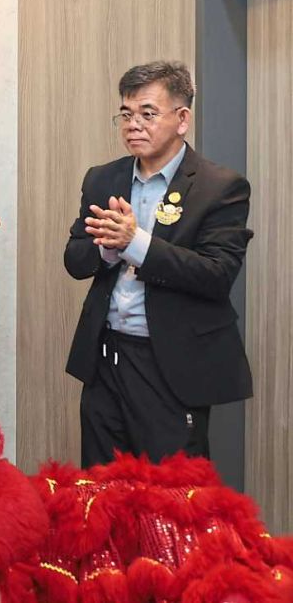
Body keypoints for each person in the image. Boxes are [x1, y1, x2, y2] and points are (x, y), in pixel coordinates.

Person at [64, 61, 253, 466]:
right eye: (126, 114)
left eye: (148, 113)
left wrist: (136, 244)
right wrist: (107, 249)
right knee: (101, 492)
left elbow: (217, 275)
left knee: (169, 503)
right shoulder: (103, 178)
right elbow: (75, 259)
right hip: (105, 360)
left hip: (169, 366)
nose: (134, 124)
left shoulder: (219, 187)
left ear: (182, 119)